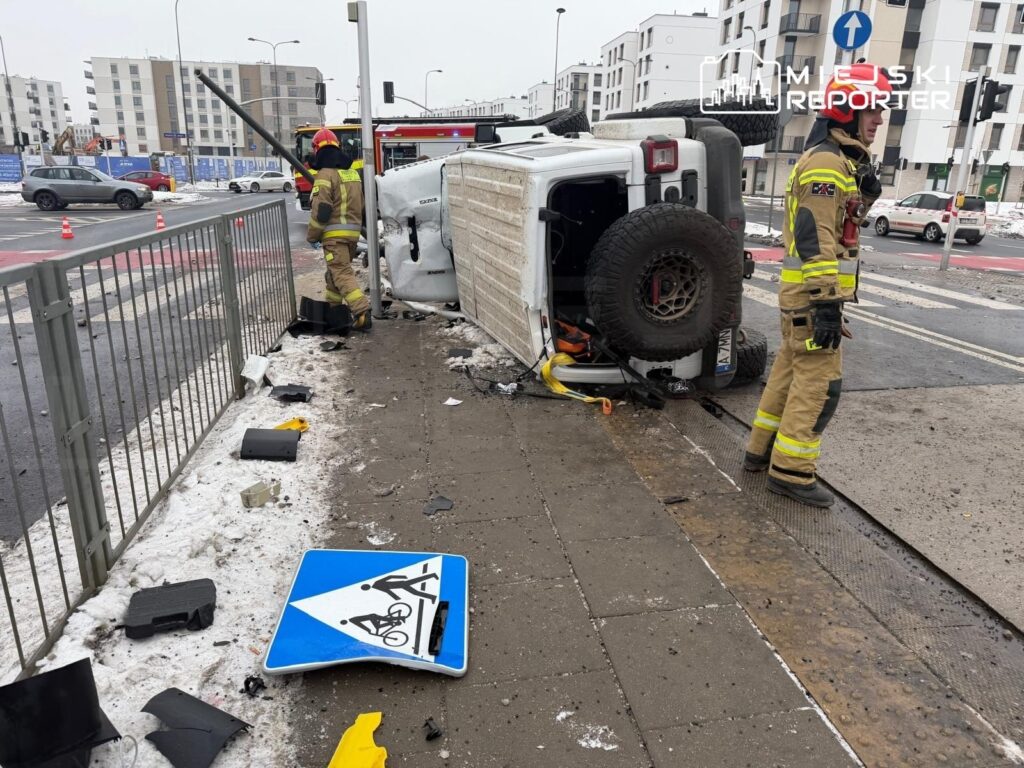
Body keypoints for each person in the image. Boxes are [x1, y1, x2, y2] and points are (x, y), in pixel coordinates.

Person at [743, 63, 891, 508]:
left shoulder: (835, 160)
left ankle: (760, 452)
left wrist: (865, 196)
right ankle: (792, 472)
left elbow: (841, 224)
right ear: (846, 110)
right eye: (872, 109)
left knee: (788, 376)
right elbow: (814, 236)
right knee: (821, 386)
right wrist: (828, 303)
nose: (880, 119)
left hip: (802, 297)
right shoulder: (827, 162)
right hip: (813, 299)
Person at [306, 127, 372, 330]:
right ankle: (334, 310)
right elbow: (361, 205)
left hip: (334, 237)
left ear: (317, 149)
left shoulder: (325, 175)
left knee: (341, 273)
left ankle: (362, 312)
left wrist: (312, 236)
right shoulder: (351, 174)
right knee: (335, 274)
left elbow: (322, 211)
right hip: (351, 235)